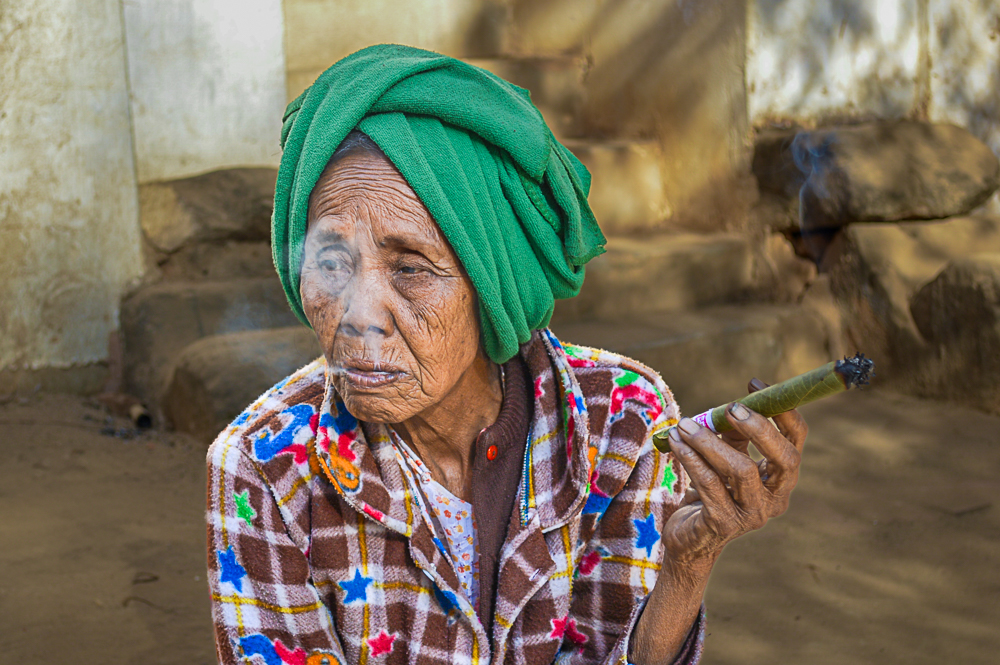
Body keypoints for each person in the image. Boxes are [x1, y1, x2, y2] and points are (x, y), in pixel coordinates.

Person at [206, 44, 807, 665]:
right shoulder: (264, 464)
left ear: (491, 287)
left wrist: (685, 568)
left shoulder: (620, 423)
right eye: (331, 262)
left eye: (411, 267)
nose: (358, 314)